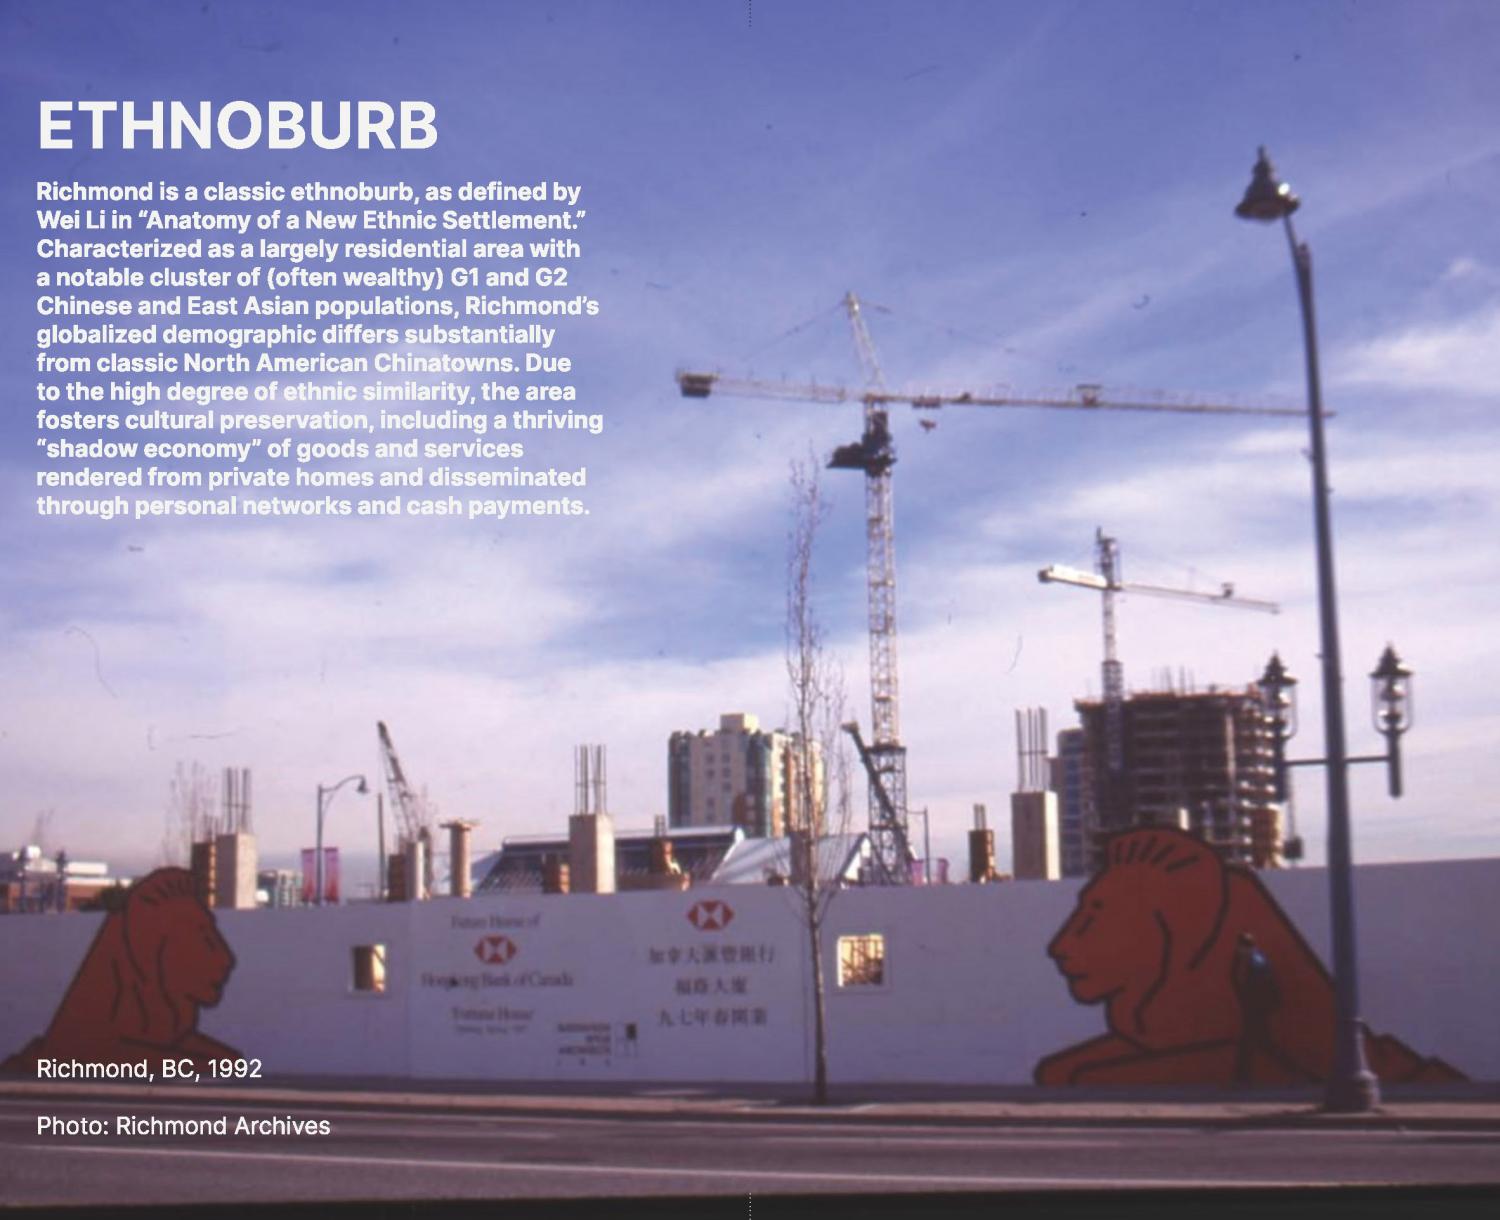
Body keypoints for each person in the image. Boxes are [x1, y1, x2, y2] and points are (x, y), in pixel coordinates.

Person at [1231, 931, 1280, 1085]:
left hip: (1257, 1008)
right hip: (1256, 1007)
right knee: (1253, 1043)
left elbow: (1261, 983)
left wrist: (1252, 1002)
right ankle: (1242, 1078)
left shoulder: (1256, 960)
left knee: (1255, 1043)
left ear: (1243, 946)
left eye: (1239, 947)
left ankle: (1242, 1078)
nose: (1237, 950)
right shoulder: (1254, 958)